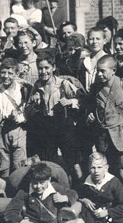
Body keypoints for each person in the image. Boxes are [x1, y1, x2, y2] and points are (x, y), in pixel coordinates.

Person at [85, 55, 123, 189]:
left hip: (121, 135)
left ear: (114, 70)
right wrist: (90, 114)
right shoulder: (95, 88)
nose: (99, 74)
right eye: (98, 70)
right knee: (106, 170)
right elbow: (89, 104)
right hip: (103, 136)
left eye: (103, 71)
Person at [25, 52, 84, 181]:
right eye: (40, 68)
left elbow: (82, 100)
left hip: (64, 125)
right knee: (50, 163)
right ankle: (57, 188)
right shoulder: (36, 86)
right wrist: (34, 105)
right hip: (46, 127)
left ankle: (81, 188)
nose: (43, 71)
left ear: (53, 67)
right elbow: (27, 111)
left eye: (46, 68)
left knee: (74, 162)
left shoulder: (63, 84)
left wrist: (70, 102)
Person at [4, 163, 85, 223]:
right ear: (31, 180)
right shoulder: (24, 191)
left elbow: (74, 193)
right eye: (35, 183)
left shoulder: (55, 187)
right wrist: (24, 222)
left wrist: (65, 198)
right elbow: (9, 212)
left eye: (42, 183)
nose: (38, 186)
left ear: (49, 180)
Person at [0, 58, 32, 177]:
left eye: (10, 73)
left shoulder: (23, 90)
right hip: (0, 130)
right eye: (3, 72)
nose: (6, 76)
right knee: (3, 164)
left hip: (18, 129)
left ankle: (18, 191)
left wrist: (19, 117)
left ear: (16, 74)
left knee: (19, 164)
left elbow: (29, 111)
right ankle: (4, 190)